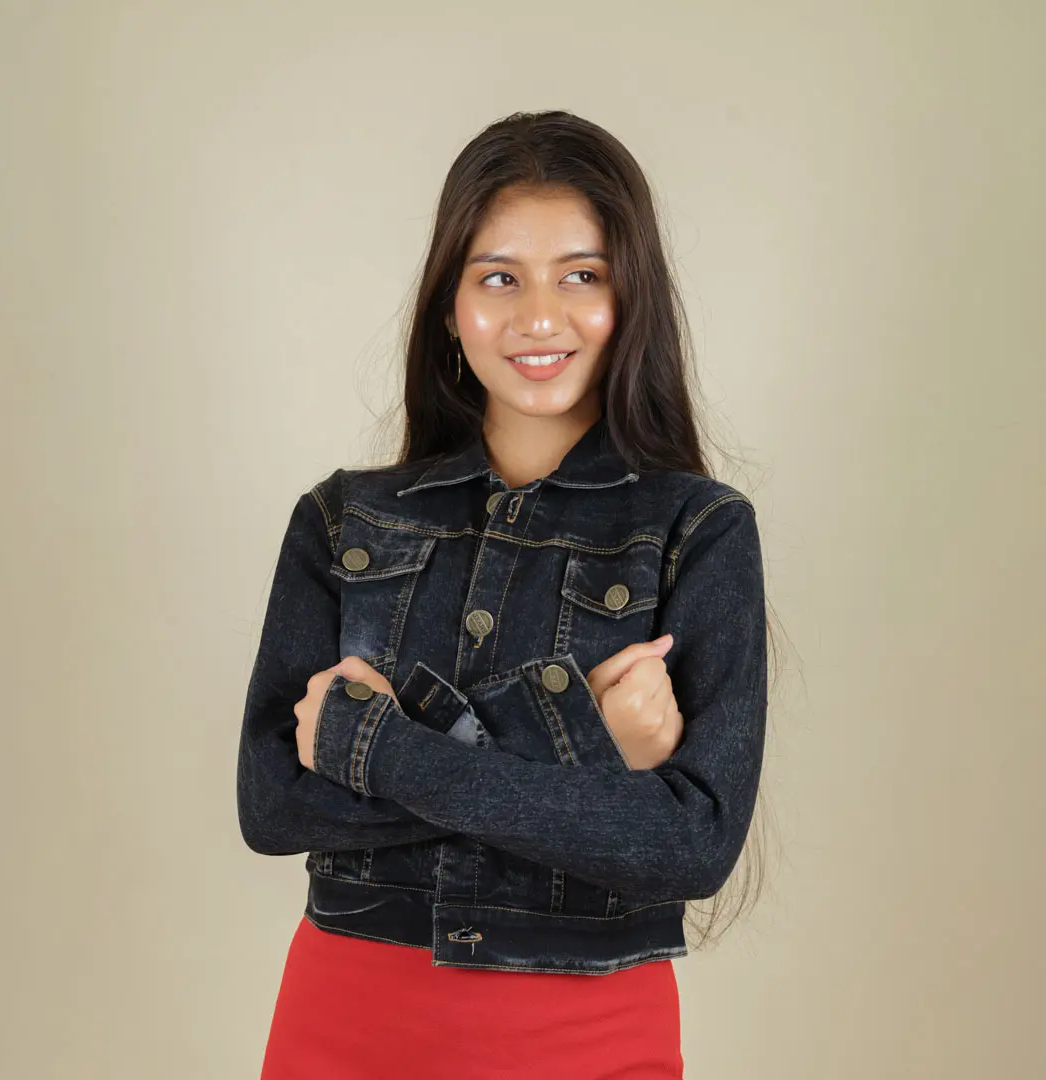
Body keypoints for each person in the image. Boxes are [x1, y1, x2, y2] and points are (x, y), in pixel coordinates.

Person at [237, 110, 769, 1079]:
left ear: (630, 298)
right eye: (498, 278)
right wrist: (586, 750)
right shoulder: (342, 519)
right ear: (450, 306)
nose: (539, 318)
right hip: (344, 1018)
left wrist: (376, 749)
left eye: (581, 275)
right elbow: (272, 806)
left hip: (591, 1036)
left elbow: (693, 847)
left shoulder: (701, 530)